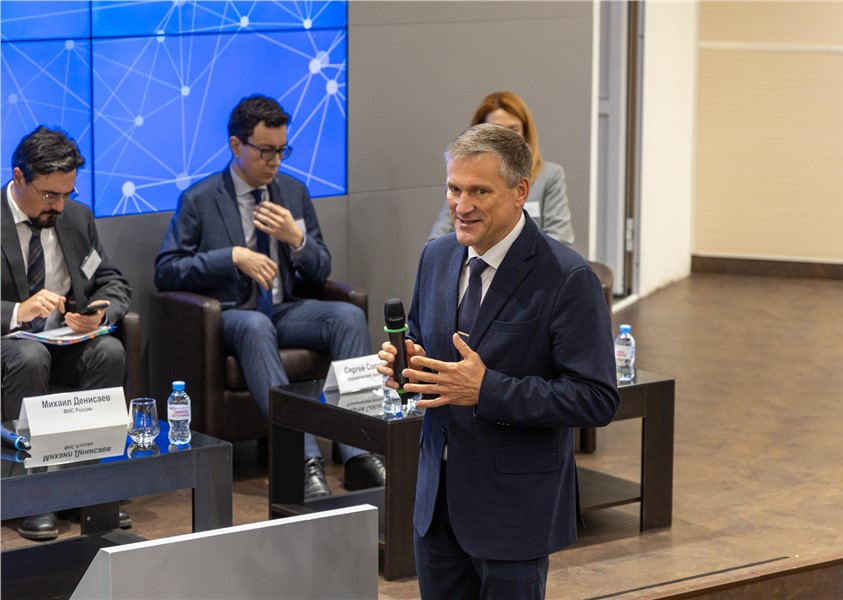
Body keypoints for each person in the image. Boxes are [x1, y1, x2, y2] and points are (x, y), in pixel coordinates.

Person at [378, 124, 619, 599]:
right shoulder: (436, 257)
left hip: (514, 511)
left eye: (479, 191)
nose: (461, 205)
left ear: (520, 191)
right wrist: (410, 363)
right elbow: (426, 342)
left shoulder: (568, 277)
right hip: (437, 505)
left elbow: (596, 398)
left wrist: (486, 390)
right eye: (454, 189)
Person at [155, 95, 384, 498]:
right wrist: (232, 257)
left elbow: (321, 269)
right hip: (233, 315)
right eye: (266, 151)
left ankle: (360, 452)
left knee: (347, 316)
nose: (276, 161)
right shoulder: (201, 198)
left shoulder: (292, 192)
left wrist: (296, 239)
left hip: (286, 309)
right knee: (256, 324)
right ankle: (302, 459)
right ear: (236, 145)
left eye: (282, 151)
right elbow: (167, 270)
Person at [1, 126, 132, 540]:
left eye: (66, 194)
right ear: (19, 177)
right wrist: (18, 311)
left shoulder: (76, 217)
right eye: (49, 196)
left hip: (61, 341)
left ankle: (86, 490)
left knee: (108, 350)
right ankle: (31, 496)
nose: (59, 205)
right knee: (29, 356)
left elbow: (110, 279)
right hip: (9, 347)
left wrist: (101, 310)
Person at [427, 90, 575, 247]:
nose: (504, 140)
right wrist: (473, 253)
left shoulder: (550, 175)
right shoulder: (462, 179)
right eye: (495, 130)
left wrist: (500, 256)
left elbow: (560, 239)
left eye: (513, 130)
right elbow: (438, 238)